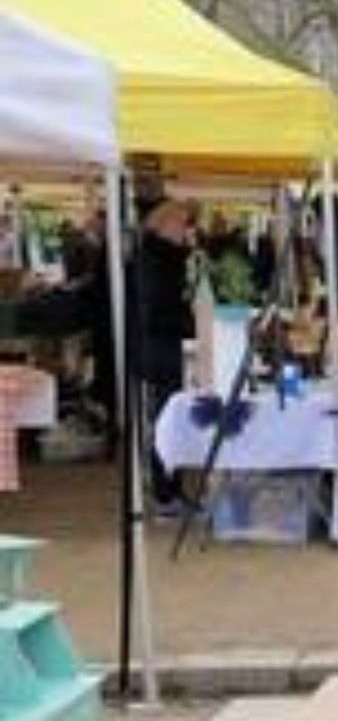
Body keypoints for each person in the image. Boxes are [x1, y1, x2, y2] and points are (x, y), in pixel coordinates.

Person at [136, 199, 196, 514]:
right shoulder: (156, 262)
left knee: (172, 421)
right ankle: (165, 494)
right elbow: (155, 312)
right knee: (166, 423)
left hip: (168, 348)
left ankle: (172, 489)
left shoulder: (166, 258)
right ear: (163, 226)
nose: (186, 230)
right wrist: (190, 323)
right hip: (161, 351)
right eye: (181, 223)